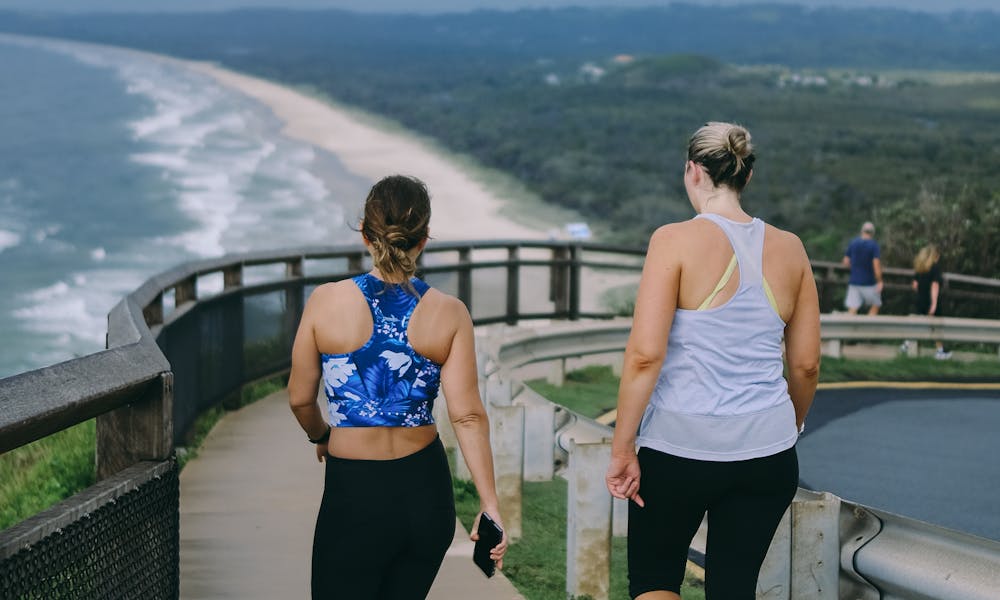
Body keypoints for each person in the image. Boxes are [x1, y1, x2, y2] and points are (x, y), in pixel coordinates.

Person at [605, 122, 821, 600]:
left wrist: (623, 450)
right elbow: (805, 365)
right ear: (746, 176)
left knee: (655, 579)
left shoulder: (673, 240)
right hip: (767, 453)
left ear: (692, 171)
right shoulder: (791, 249)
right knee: (733, 586)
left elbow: (644, 356)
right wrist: (791, 425)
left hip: (678, 447)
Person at [287, 174, 508, 600]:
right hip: (425, 494)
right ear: (423, 239)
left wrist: (322, 435)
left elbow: (299, 398)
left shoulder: (325, 302)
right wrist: (489, 505)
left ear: (366, 235)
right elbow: (466, 415)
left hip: (355, 495)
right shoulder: (449, 312)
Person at [909, 244, 951, 359]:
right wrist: (934, 304)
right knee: (936, 326)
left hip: (920, 300)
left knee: (920, 324)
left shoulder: (920, 268)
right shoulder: (935, 268)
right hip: (930, 301)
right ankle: (940, 351)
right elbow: (935, 286)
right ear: (935, 256)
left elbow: (915, 285)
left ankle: (908, 343)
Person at [842, 221, 883, 315]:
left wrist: (854, 267)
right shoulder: (874, 246)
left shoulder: (853, 243)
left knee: (852, 309)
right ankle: (869, 326)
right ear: (872, 233)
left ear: (862, 231)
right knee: (875, 304)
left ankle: (850, 329)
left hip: (854, 281)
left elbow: (845, 261)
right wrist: (880, 281)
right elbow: (876, 265)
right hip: (869, 282)